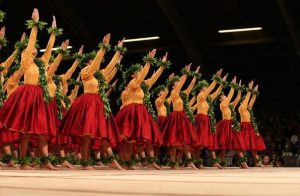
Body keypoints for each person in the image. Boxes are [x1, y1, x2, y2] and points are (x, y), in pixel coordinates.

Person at [0, 9, 57, 169]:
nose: (33, 50)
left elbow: (47, 52)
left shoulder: (41, 64)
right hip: (27, 95)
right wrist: (35, 26)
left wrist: (53, 33)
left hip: (39, 97)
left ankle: (46, 161)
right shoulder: (26, 62)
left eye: (34, 50)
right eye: (30, 50)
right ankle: (23, 162)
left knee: (41, 133)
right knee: (25, 133)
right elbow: (31, 42)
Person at [60, 34, 123, 170]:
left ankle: (112, 160)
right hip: (87, 103)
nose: (98, 63)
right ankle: (85, 162)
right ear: (89, 62)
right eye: (94, 61)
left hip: (98, 104)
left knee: (104, 133)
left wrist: (118, 52)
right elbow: (95, 64)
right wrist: (103, 48)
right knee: (87, 135)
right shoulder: (85, 71)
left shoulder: (99, 74)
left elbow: (110, 67)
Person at [161, 64, 199, 169]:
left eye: (178, 82)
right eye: (176, 83)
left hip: (182, 117)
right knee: (173, 142)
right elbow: (180, 84)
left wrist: (195, 75)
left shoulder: (181, 94)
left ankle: (190, 161)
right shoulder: (173, 92)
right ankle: (173, 162)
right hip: (175, 118)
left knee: (185, 141)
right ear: (173, 86)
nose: (178, 83)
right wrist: (185, 73)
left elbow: (190, 86)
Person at [191, 69, 226, 169]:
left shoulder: (206, 99)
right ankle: (198, 162)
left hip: (206, 120)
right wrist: (216, 78)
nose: (207, 88)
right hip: (200, 119)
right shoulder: (200, 96)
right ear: (201, 89)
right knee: (199, 143)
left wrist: (222, 84)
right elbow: (210, 90)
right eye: (205, 87)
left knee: (210, 141)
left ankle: (215, 162)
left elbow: (215, 93)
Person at [217, 78, 248, 168]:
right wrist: (233, 86)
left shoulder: (230, 106)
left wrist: (239, 90)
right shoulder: (222, 105)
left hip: (232, 125)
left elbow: (237, 99)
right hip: (225, 125)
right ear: (220, 99)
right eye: (223, 96)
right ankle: (222, 163)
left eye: (224, 95)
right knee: (223, 145)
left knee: (236, 144)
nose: (225, 96)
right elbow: (230, 97)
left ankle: (243, 162)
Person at [239, 83, 266, 167]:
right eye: (245, 102)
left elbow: (252, 101)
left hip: (249, 127)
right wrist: (249, 89)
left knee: (252, 146)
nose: (247, 103)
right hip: (244, 127)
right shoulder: (241, 108)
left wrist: (254, 92)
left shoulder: (248, 109)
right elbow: (247, 99)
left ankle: (257, 161)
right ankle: (243, 162)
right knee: (244, 146)